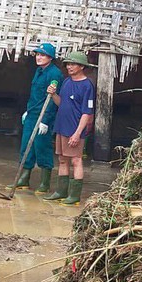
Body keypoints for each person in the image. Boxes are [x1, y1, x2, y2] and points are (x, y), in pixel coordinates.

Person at [43, 51, 96, 205]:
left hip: (75, 129)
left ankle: (74, 196)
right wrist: (53, 95)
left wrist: (77, 134)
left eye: (73, 64)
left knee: (76, 160)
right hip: (61, 126)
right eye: (68, 64)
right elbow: (62, 103)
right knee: (62, 160)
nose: (69, 67)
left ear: (81, 67)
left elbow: (87, 112)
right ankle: (61, 191)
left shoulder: (87, 86)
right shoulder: (66, 82)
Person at [15, 43, 64, 193]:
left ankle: (45, 183)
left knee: (42, 146)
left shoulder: (54, 74)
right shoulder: (38, 71)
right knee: (26, 146)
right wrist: (27, 111)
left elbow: (53, 100)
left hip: (44, 115)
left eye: (42, 55)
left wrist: (46, 121)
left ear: (50, 57)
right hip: (32, 113)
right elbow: (35, 94)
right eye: (37, 54)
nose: (39, 57)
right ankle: (24, 178)